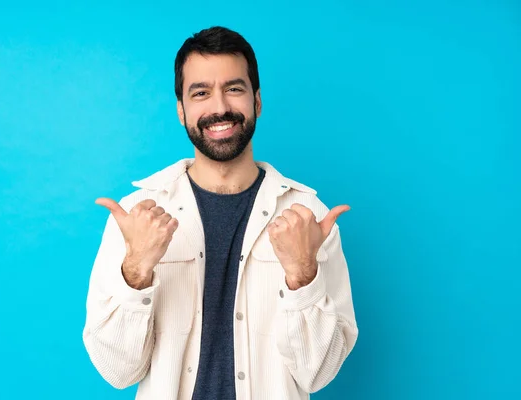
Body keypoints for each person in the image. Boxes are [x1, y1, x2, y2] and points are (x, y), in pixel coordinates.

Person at [82, 26, 358, 400]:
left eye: (234, 88)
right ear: (181, 110)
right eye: (200, 93)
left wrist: (301, 275)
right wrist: (136, 271)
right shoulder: (137, 217)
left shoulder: (308, 217)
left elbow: (318, 374)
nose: (219, 107)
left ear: (257, 101)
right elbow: (118, 371)